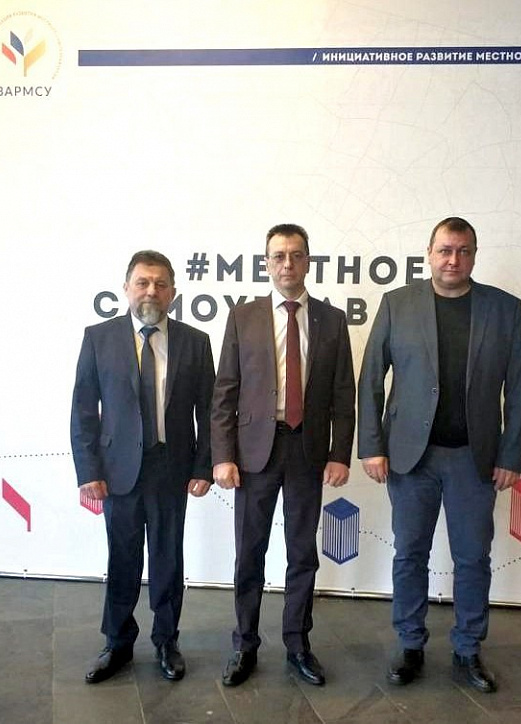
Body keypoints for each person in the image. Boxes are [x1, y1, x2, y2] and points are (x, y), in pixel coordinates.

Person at [357, 217, 521, 693]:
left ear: (474, 255)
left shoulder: (504, 309)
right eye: (445, 250)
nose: (453, 260)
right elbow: (371, 378)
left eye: (463, 251)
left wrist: (512, 454)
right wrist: (371, 446)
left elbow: (519, 387)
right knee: (409, 554)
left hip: (475, 459)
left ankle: (468, 649)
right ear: (429, 254)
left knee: (473, 558)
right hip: (410, 458)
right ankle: (410, 644)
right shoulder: (397, 304)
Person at [212, 223, 355, 687]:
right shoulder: (244, 316)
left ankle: (298, 645)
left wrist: (339, 453)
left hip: (306, 449)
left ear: (308, 261)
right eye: (278, 256)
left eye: (296, 255)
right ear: (267, 263)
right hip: (253, 452)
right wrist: (222, 455)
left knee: (302, 553)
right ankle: (244, 645)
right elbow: (225, 391)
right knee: (249, 552)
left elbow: (343, 394)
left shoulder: (332, 320)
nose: (287, 263)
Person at [70, 250, 215, 684]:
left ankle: (167, 641)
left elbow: (209, 412)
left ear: (173, 292)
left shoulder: (195, 341)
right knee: (123, 558)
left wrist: (204, 466)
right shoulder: (98, 338)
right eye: (143, 282)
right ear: (126, 288)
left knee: (168, 558)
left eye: (160, 284)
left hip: (171, 467)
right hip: (117, 470)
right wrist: (88, 471)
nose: (151, 291)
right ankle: (117, 642)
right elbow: (83, 410)